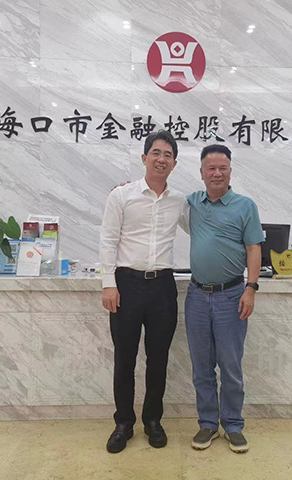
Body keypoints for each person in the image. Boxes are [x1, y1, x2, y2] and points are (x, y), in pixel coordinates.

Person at [99, 130, 188, 454]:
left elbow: (202, 226)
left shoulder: (180, 202)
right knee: (124, 358)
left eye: (168, 155)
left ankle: (153, 420)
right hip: (127, 284)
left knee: (158, 359)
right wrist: (108, 283)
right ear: (144, 157)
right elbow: (108, 240)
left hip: (163, 286)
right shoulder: (121, 196)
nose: (161, 159)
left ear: (174, 163)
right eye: (156, 153)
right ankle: (124, 423)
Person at [185, 144, 264, 453]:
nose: (217, 173)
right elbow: (158, 200)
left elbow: (254, 248)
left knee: (230, 366)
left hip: (232, 296)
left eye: (223, 168)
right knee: (201, 367)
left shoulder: (245, 206)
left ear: (230, 171)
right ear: (201, 173)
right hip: (196, 297)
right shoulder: (192, 203)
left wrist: (251, 288)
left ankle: (233, 424)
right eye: (211, 168)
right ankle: (208, 424)